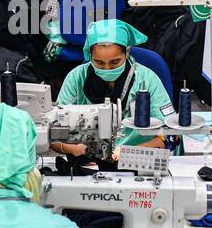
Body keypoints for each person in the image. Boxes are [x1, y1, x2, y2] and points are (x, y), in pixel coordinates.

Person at [56, 20, 171, 152]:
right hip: (87, 161)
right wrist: (72, 149)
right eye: (98, 62)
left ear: (127, 52)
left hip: (136, 161)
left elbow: (171, 136)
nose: (107, 69)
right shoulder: (76, 78)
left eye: (115, 62)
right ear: (89, 54)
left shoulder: (147, 80)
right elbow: (54, 133)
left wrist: (135, 151)